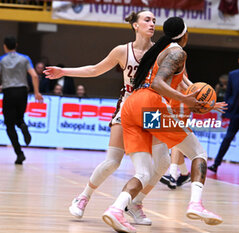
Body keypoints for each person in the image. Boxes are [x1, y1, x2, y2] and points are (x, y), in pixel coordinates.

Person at [44, 11, 168, 226]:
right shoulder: (122, 51)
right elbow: (94, 70)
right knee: (112, 162)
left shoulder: (162, 52)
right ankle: (83, 197)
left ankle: (135, 203)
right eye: (147, 20)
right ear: (135, 26)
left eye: (154, 21)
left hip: (151, 110)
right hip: (128, 107)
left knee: (163, 162)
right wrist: (64, 71)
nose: (152, 24)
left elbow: (175, 80)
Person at [102, 17, 223, 233]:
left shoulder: (161, 49)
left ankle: (116, 209)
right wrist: (186, 100)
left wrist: (207, 103)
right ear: (185, 34)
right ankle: (195, 204)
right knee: (198, 153)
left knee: (144, 172)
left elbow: (185, 84)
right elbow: (158, 84)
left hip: (131, 106)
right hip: (150, 105)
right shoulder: (177, 52)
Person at [0, 36, 43, 164]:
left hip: (8, 91)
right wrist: (36, 92)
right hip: (22, 92)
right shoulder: (25, 58)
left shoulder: (2, 60)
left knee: (9, 125)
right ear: (16, 45)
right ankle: (23, 126)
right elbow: (34, 76)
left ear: (5, 46)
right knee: (19, 118)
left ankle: (19, 154)